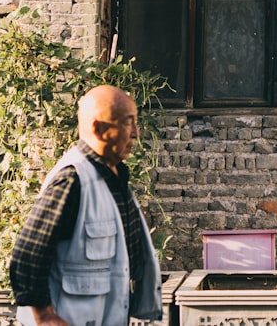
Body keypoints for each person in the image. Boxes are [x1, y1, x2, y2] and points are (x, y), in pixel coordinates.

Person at [9, 85, 162, 326]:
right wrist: (45, 316)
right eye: (128, 123)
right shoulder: (73, 180)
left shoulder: (114, 178)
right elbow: (27, 255)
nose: (136, 133)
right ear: (98, 129)